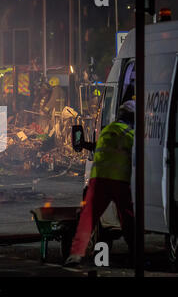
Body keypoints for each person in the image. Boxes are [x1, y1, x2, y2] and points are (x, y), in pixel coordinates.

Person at [64, 100, 136, 266]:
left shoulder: (106, 131)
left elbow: (95, 147)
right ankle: (135, 254)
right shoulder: (130, 134)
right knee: (128, 220)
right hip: (120, 181)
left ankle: (75, 255)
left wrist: (83, 144)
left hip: (98, 180)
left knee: (87, 218)